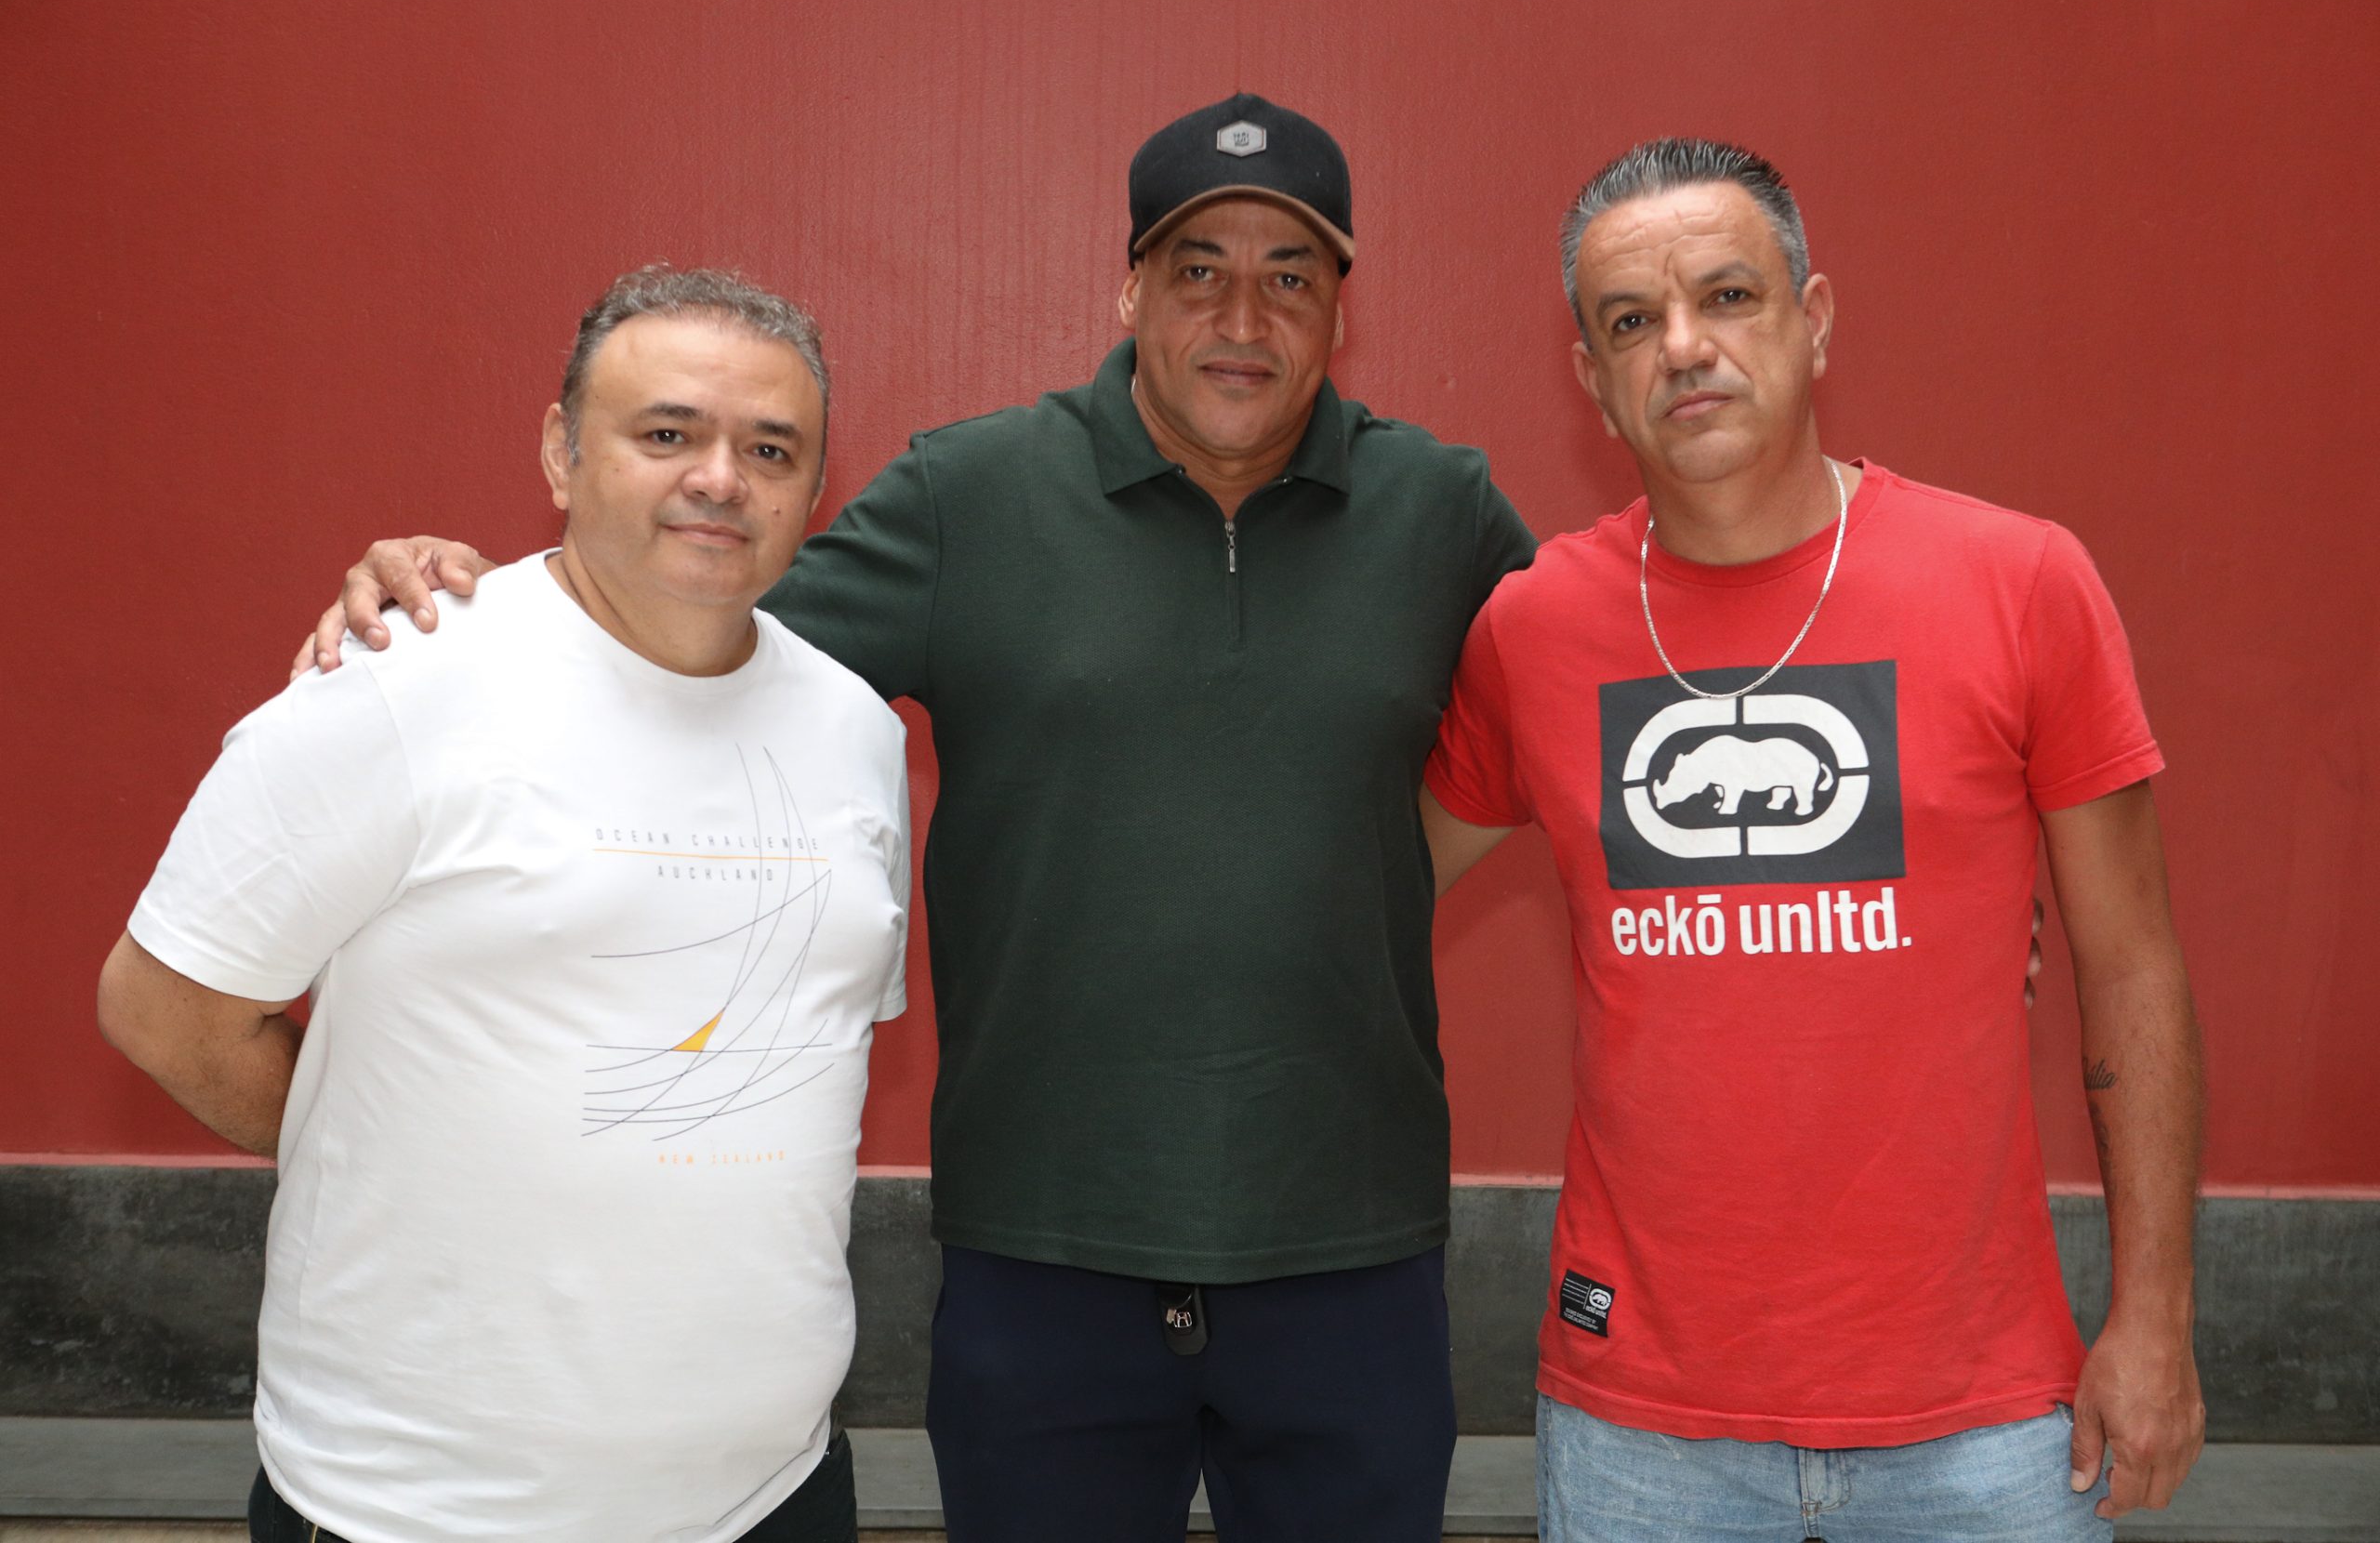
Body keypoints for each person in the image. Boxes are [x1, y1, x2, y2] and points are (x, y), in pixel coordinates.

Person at [292, 94, 1538, 1542]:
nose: (1241, 314)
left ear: (1340, 307)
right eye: (1199, 268)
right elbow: (685, 620)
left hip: (1352, 1246)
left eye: (1290, 275)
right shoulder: (972, 493)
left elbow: (1588, 683)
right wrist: (466, 592)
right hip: (1041, 1250)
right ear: (1131, 287)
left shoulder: (1440, 510)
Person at [1421, 138, 2205, 1538]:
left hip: (1982, 1416)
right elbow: (1347, 891)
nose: (1683, 347)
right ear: (1593, 381)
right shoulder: (1531, 629)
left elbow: (2134, 969)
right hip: (1637, 1419)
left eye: (1728, 296)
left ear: (1815, 318)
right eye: (1630, 323)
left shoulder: (2021, 581)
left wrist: (2154, 1321)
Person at [100, 266, 909, 1543]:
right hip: (420, 1505)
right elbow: (164, 1007)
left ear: (815, 487)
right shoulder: (398, 685)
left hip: (771, 1494)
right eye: (666, 433)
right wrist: (395, 1147)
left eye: (769, 447)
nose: (718, 476)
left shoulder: (855, 729)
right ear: (559, 450)